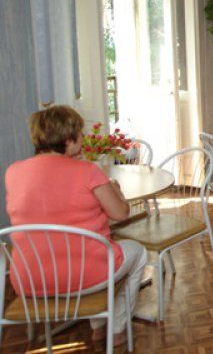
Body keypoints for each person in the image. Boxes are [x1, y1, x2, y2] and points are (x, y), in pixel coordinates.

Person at [5, 105, 147, 346]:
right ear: (68, 139)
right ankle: (116, 329)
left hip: (30, 279)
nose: (83, 138)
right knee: (138, 253)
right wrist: (116, 190)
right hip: (86, 277)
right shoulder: (88, 171)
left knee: (87, 250)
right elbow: (121, 213)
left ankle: (98, 327)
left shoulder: (14, 172)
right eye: (80, 133)